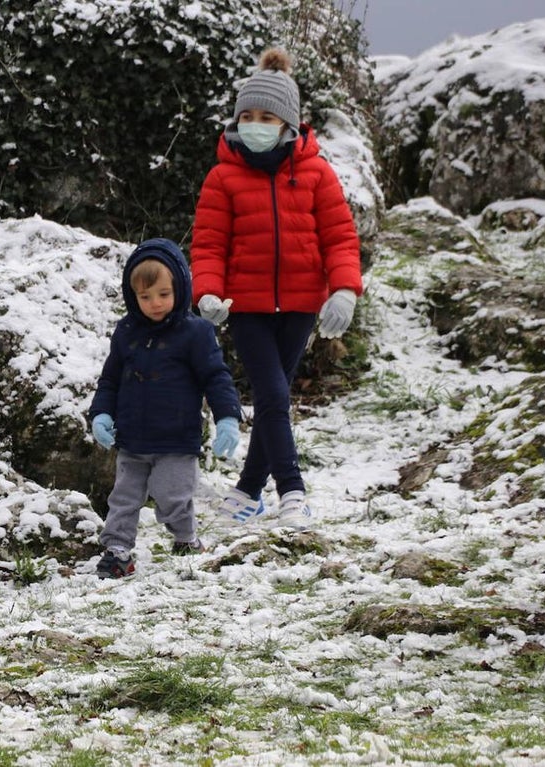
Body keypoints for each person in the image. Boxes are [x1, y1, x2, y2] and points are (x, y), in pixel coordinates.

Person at [190, 48, 362, 529]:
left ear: (288, 124)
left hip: (303, 303)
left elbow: (340, 238)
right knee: (271, 394)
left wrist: (344, 290)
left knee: (273, 397)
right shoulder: (222, 177)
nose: (256, 124)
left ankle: (248, 490)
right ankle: (292, 489)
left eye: (267, 117)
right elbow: (207, 244)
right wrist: (206, 292)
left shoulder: (316, 174)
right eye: (247, 116)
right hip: (244, 306)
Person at [88, 238, 242, 578]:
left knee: (172, 496)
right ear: (133, 297)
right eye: (145, 297)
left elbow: (216, 376)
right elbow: (110, 379)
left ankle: (185, 537)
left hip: (176, 439)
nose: (155, 304)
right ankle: (117, 551)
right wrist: (101, 414)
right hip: (131, 439)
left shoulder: (195, 333)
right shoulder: (126, 332)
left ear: (179, 288)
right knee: (124, 499)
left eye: (162, 294)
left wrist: (228, 417)